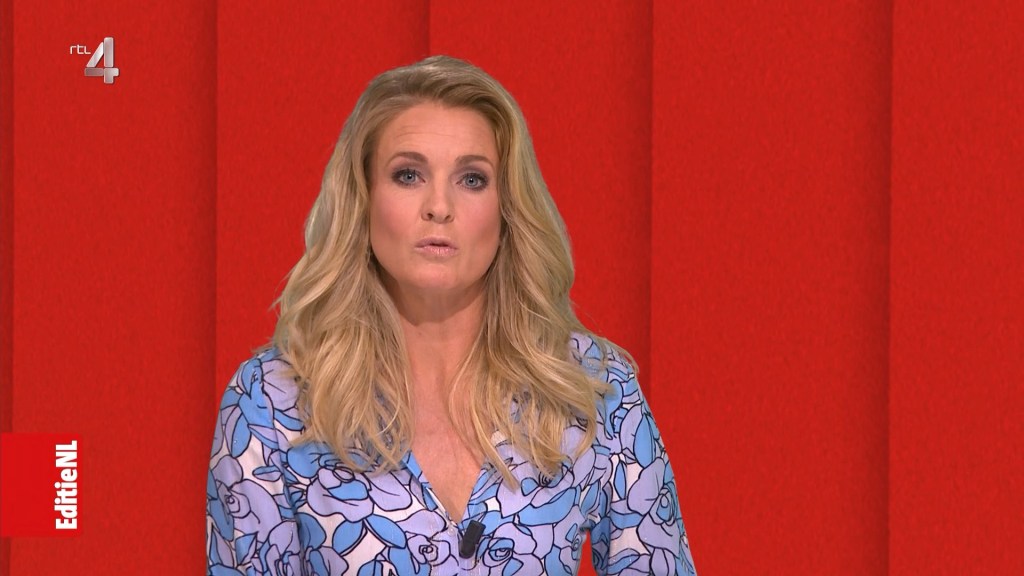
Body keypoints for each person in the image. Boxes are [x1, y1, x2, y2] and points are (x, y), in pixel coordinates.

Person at [206, 55, 697, 576]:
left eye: (472, 179)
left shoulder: (594, 392)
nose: (439, 206)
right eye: (408, 175)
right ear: (362, 201)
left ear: (507, 210)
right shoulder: (270, 403)